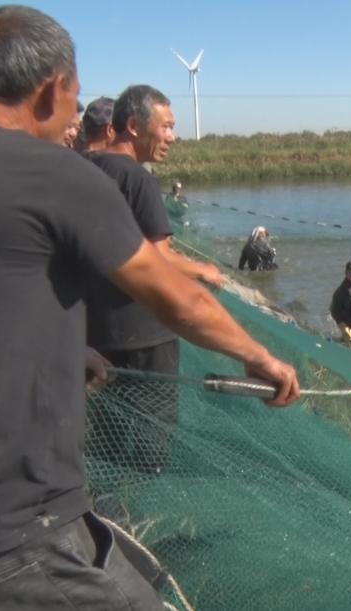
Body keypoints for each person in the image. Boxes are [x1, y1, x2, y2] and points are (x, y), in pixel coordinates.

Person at [0, 6, 299, 610]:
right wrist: (259, 357)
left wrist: (66, 347)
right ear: (52, 89)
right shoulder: (57, 174)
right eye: (75, 95)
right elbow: (175, 295)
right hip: (9, 527)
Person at [86, 84, 224, 473]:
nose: (172, 136)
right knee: (153, 425)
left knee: (105, 429)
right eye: (165, 126)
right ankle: (145, 506)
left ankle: (109, 506)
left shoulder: (85, 166)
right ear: (133, 125)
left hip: (94, 332)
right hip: (145, 334)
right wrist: (206, 271)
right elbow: (160, 257)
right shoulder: (140, 180)